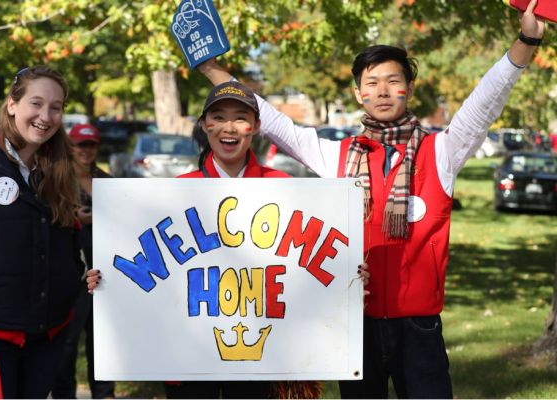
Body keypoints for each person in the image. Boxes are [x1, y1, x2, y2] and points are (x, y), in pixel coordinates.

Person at [195, 1, 545, 398]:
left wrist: (527, 40)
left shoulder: (441, 151)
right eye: (372, 82)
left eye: (393, 81)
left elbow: (485, 103)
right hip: (353, 320)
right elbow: (272, 121)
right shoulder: (337, 156)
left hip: (419, 324)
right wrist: (211, 69)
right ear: (359, 93)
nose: (382, 91)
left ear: (409, 89)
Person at [87, 81, 370, 398]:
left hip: (262, 359)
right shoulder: (178, 191)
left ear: (256, 127)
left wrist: (349, 276)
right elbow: (137, 272)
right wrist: (107, 282)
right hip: (187, 356)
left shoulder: (286, 188)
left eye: (240, 117)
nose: (229, 127)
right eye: (218, 117)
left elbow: (316, 269)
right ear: (205, 125)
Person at [0, 66, 84, 398]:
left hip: (47, 338)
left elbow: (67, 251)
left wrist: (82, 277)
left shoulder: (57, 171)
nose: (46, 115)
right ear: (12, 104)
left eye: (56, 107)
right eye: (36, 103)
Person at [52, 123, 116, 399]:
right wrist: (74, 217)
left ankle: (104, 394)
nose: (85, 151)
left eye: (90, 145)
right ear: (70, 147)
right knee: (67, 343)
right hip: (71, 271)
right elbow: (48, 220)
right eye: (79, 145)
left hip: (105, 272)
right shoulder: (58, 181)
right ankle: (64, 394)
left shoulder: (107, 180)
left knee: (103, 341)